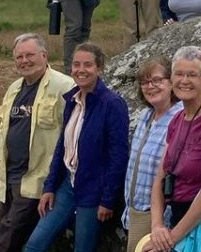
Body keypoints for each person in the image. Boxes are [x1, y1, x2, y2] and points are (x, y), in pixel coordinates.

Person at [24, 43, 131, 252]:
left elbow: (118, 157)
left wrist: (108, 200)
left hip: (94, 190)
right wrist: (49, 187)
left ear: (99, 69)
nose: (81, 70)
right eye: (76, 64)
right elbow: (62, 148)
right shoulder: (72, 100)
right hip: (67, 185)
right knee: (35, 244)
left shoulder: (112, 104)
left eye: (88, 65)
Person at [0, 34, 76, 252]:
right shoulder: (14, 88)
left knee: (6, 236)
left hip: (36, 179)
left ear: (44, 56)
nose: (24, 61)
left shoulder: (64, 86)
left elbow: (73, 134)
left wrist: (54, 181)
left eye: (30, 55)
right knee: (1, 231)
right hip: (9, 177)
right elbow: (2, 132)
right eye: (19, 57)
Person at [145, 46, 201, 252]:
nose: (184, 80)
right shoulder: (177, 120)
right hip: (175, 217)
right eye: (178, 74)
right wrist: (157, 225)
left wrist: (171, 238)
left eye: (192, 75)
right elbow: (160, 179)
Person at [122, 56, 185, 252]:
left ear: (172, 82)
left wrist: (161, 222)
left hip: (158, 215)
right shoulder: (146, 116)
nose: (151, 87)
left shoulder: (180, 117)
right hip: (134, 210)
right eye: (145, 82)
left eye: (157, 80)